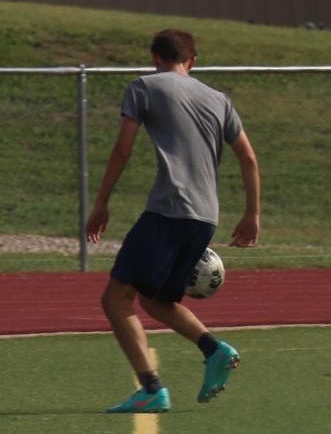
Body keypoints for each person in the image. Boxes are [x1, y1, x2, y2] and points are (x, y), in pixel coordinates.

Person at [85, 28, 261, 413]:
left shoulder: (143, 86)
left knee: (116, 298)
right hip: (205, 217)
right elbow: (248, 158)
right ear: (192, 61)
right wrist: (251, 215)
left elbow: (123, 147)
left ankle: (151, 388)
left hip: (169, 210)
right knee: (154, 300)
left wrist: (101, 202)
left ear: (154, 57)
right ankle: (214, 350)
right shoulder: (218, 99)